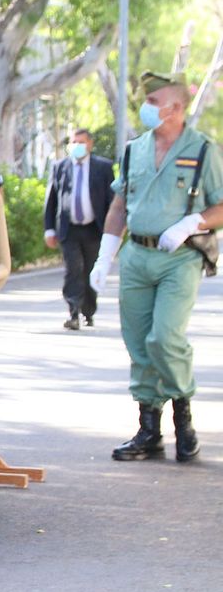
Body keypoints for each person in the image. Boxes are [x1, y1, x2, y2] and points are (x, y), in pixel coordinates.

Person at [90, 71, 223, 463]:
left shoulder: (202, 150)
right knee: (138, 341)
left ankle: (184, 416)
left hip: (178, 259)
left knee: (164, 338)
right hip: (137, 255)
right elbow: (119, 204)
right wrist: (105, 255)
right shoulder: (135, 150)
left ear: (176, 107)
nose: (147, 108)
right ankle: (149, 430)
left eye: (153, 101)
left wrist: (190, 224)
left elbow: (219, 206)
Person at [43, 128, 115, 329]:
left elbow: (112, 201)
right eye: (73, 142)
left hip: (94, 228)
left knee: (90, 270)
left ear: (90, 144)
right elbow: (51, 201)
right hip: (69, 229)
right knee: (73, 269)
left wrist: (112, 230)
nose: (76, 146)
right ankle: (73, 312)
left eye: (81, 142)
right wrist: (49, 229)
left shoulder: (103, 167)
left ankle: (88, 312)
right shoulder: (60, 167)